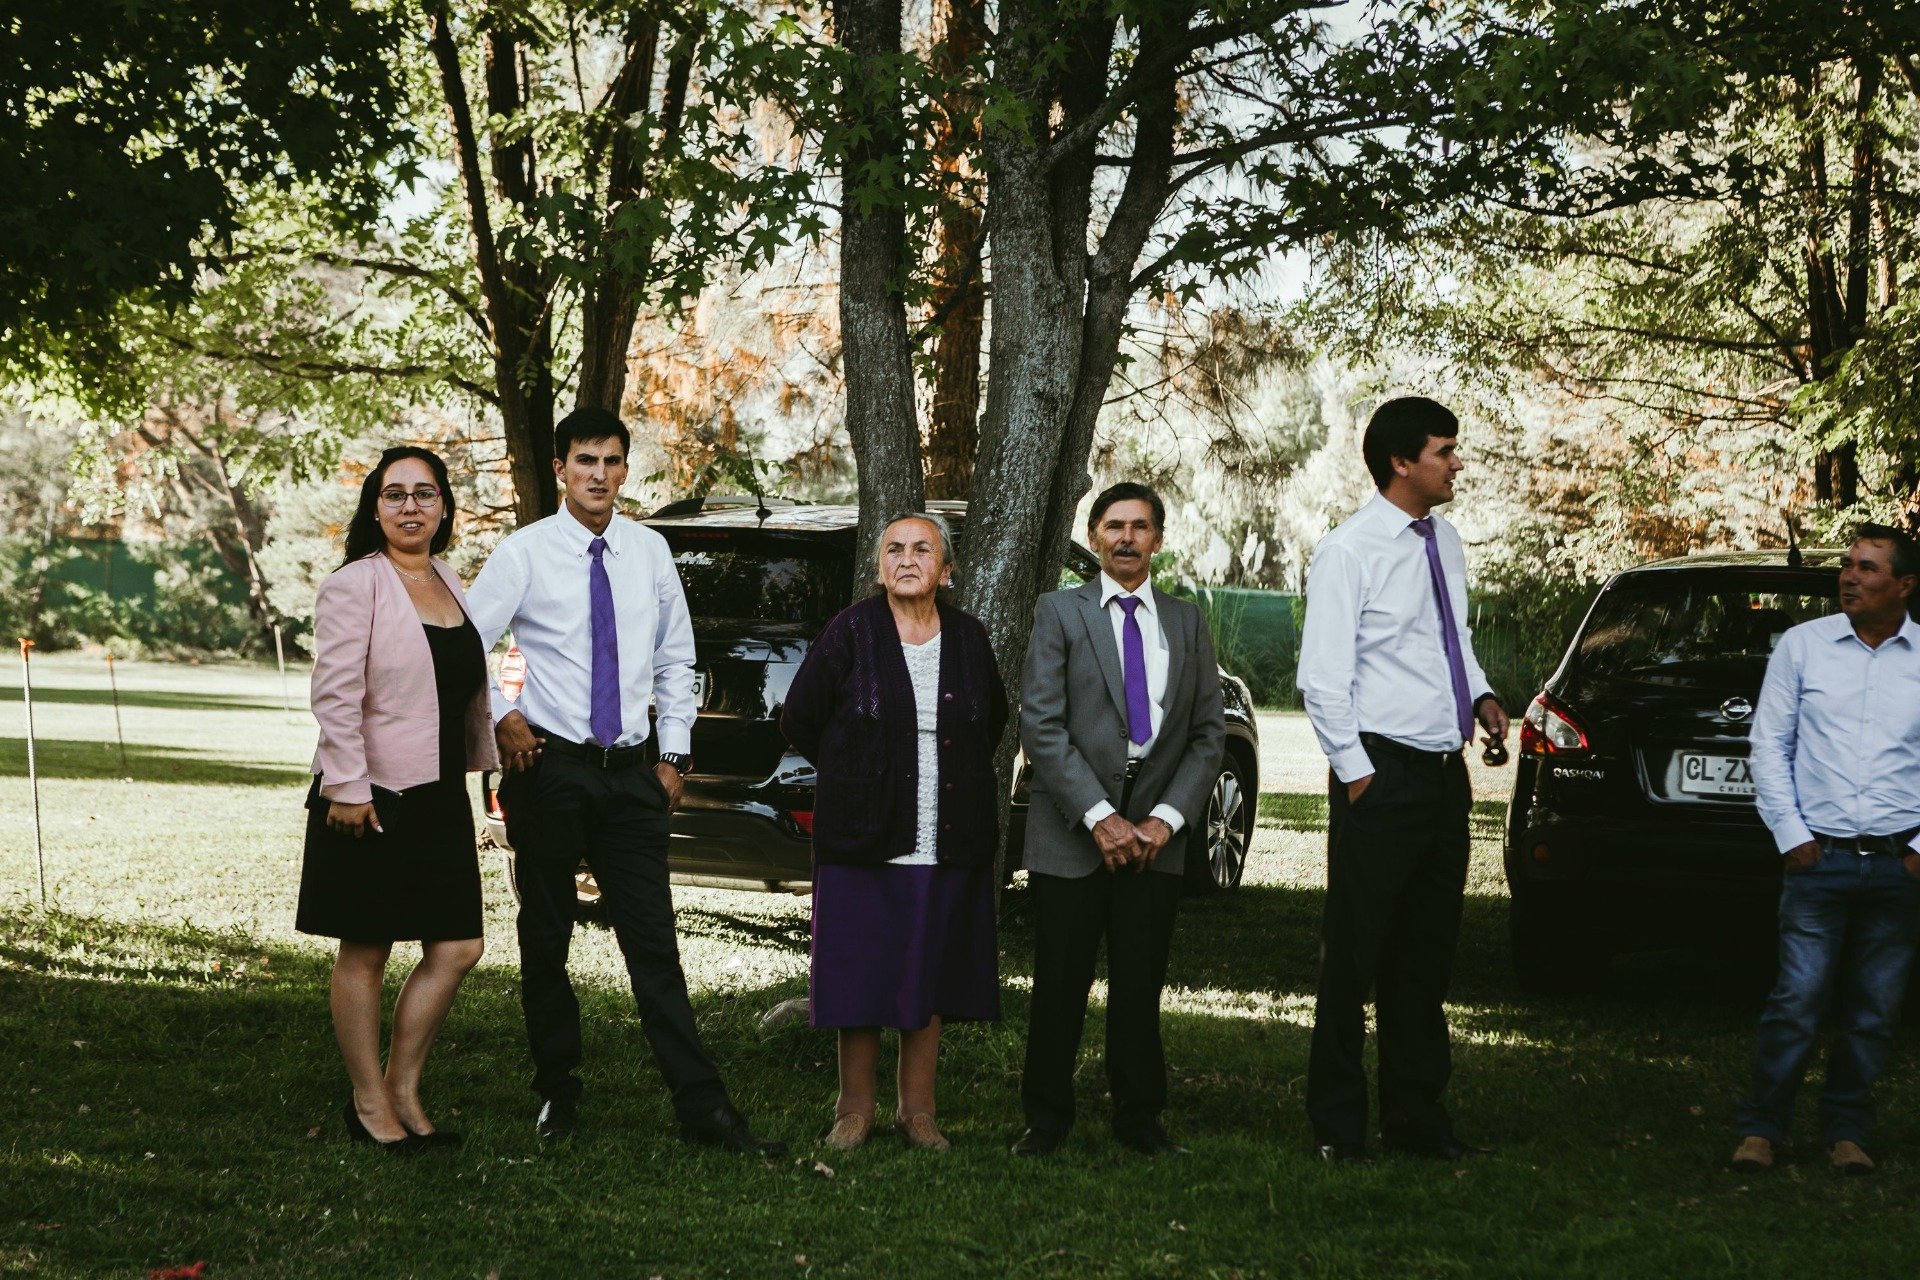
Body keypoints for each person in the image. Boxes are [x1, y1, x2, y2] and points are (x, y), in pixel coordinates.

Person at [465, 407, 786, 1155]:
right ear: (561, 470)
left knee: (655, 946)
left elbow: (676, 659)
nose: (600, 474)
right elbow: (466, 643)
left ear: (624, 469)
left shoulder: (649, 552)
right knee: (546, 939)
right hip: (549, 771)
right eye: (585, 461)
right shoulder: (524, 553)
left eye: (612, 461)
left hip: (632, 777)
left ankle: (703, 1109)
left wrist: (674, 757)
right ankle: (558, 1093)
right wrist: (504, 716)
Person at [1296, 396, 1509, 1164]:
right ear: (1400, 461)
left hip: (1445, 779)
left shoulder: (1444, 541)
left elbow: (1451, 639)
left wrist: (1479, 695)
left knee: (1425, 956)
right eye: (1444, 450)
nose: (1456, 463)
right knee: (1354, 958)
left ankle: (1416, 1120)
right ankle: (1338, 1127)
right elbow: (1322, 681)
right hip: (1380, 777)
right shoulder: (1348, 551)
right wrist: (1360, 780)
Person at [779, 513, 1007, 1152]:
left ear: (946, 569)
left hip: (944, 831)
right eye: (894, 550)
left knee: (925, 969)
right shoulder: (851, 631)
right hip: (864, 833)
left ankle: (918, 1112)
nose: (907, 559)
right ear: (880, 567)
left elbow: (991, 718)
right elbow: (800, 718)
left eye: (922, 549)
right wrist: (858, 774)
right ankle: (854, 1110)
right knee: (861, 970)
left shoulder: (968, 637)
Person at [1014, 482, 1226, 1157]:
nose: (1126, 538)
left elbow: (1208, 735)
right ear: (1095, 536)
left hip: (1155, 837)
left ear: (1158, 539)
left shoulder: (1187, 622)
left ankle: (1140, 1119)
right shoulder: (1059, 611)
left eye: (1139, 527)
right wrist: (1100, 817)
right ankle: (1046, 1121)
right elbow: (1041, 725)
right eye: (1113, 526)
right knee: (1058, 985)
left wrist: (1164, 821)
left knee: (1140, 984)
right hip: (1073, 830)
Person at [298, 446, 498, 1153]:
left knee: (460, 945)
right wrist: (348, 788)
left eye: (424, 493)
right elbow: (334, 695)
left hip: (439, 790)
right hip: (371, 793)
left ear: (444, 505)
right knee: (367, 947)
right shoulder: (356, 584)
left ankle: (403, 1088)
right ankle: (367, 1101)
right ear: (375, 507)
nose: (410, 506)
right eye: (394, 494)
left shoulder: (449, 579)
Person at [1731, 525, 1920, 1177]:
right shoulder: (1804, 646)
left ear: (1904, 585)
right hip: (1819, 860)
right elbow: (1768, 745)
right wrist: (1793, 837)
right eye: (1847, 564)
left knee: (1874, 1012)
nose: (1849, 577)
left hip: (1898, 867)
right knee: (1797, 1002)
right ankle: (1762, 1128)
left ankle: (1846, 1131)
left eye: (1867, 568)